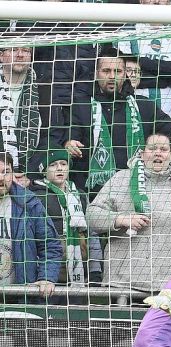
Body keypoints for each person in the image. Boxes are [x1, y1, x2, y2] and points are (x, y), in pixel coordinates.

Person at [85, 133, 171, 292]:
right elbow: (92, 215)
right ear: (142, 155)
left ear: (170, 155)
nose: (158, 152)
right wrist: (120, 219)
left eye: (163, 149)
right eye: (152, 148)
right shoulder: (121, 179)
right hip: (126, 282)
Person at [63, 55, 171, 197]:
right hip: (93, 191)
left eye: (118, 71)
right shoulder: (80, 106)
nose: (112, 76)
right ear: (96, 73)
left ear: (125, 74)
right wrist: (69, 143)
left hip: (139, 189)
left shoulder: (144, 105)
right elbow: (69, 135)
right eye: (106, 71)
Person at [0, 152, 61, 301]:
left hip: (20, 296)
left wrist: (47, 277)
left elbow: (51, 245)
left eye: (5, 172)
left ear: (13, 173)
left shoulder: (29, 203)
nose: (1, 178)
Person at [27, 149, 88, 287]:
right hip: (47, 273)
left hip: (79, 270)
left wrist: (95, 269)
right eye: (53, 164)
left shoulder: (80, 196)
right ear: (44, 170)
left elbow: (90, 234)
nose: (59, 168)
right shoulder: (35, 197)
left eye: (64, 163)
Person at [116, 15, 171, 120]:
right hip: (134, 111)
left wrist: (141, 61)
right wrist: (167, 80)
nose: (156, 1)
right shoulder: (127, 33)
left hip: (170, 112)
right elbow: (124, 76)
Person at [0, 46, 40, 177]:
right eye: (13, 50)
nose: (20, 55)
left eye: (26, 50)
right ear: (1, 56)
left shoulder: (45, 89)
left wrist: (28, 175)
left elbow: (51, 136)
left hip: (30, 176)